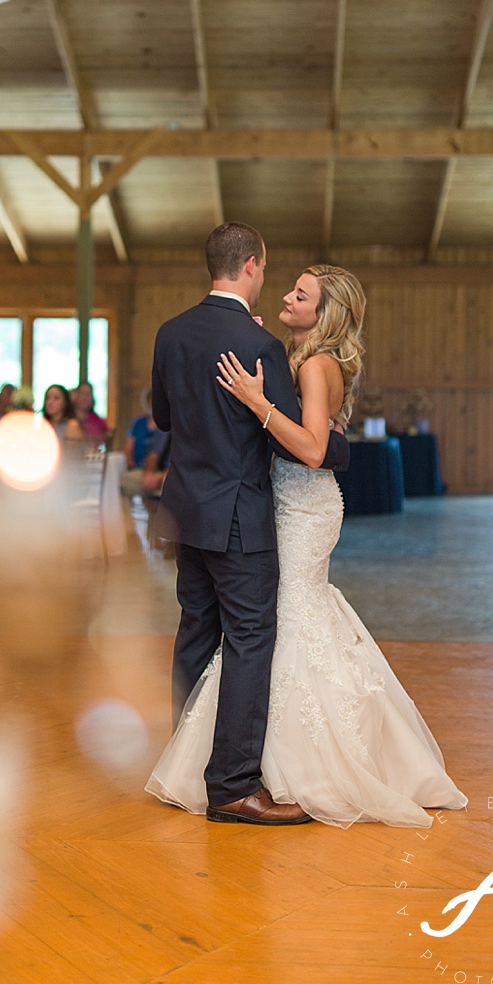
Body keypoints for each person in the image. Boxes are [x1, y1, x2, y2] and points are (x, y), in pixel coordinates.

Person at [149, 258, 465, 828]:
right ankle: (249, 765)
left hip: (303, 507)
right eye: (290, 288)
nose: (287, 298)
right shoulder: (294, 356)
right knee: (280, 623)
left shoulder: (317, 365)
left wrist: (256, 400)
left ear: (327, 313)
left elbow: (316, 450)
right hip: (282, 503)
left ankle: (280, 767)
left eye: (301, 294)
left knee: (280, 622)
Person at [138, 221, 362, 827]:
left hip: (186, 512)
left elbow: (161, 415)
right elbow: (305, 448)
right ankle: (232, 785)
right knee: (249, 639)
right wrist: (343, 449)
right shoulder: (258, 346)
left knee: (194, 633)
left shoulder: (171, 332)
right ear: (253, 266)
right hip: (240, 518)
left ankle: (180, 763)